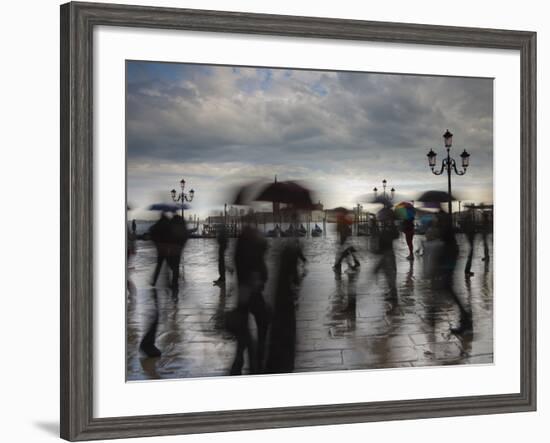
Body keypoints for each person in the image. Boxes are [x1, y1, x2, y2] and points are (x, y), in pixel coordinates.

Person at [229, 225, 270, 375]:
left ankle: (240, 359)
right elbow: (260, 271)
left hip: (244, 292)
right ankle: (256, 357)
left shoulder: (241, 249)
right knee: (262, 322)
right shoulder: (253, 253)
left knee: (244, 326)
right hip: (251, 293)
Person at [265, 238, 306, 374]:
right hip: (286, 302)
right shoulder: (292, 259)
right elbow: (295, 280)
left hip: (281, 300)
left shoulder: (285, 260)